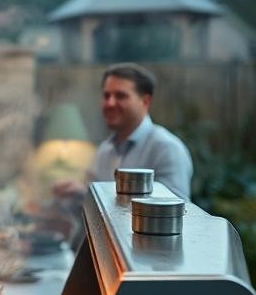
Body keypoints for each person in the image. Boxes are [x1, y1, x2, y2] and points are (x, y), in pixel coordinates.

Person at [54, 63, 193, 200]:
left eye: (120, 96)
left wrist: (93, 194)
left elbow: (176, 212)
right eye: (106, 95)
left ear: (145, 101)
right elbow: (99, 210)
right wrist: (81, 192)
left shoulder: (167, 148)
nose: (110, 103)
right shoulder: (104, 150)